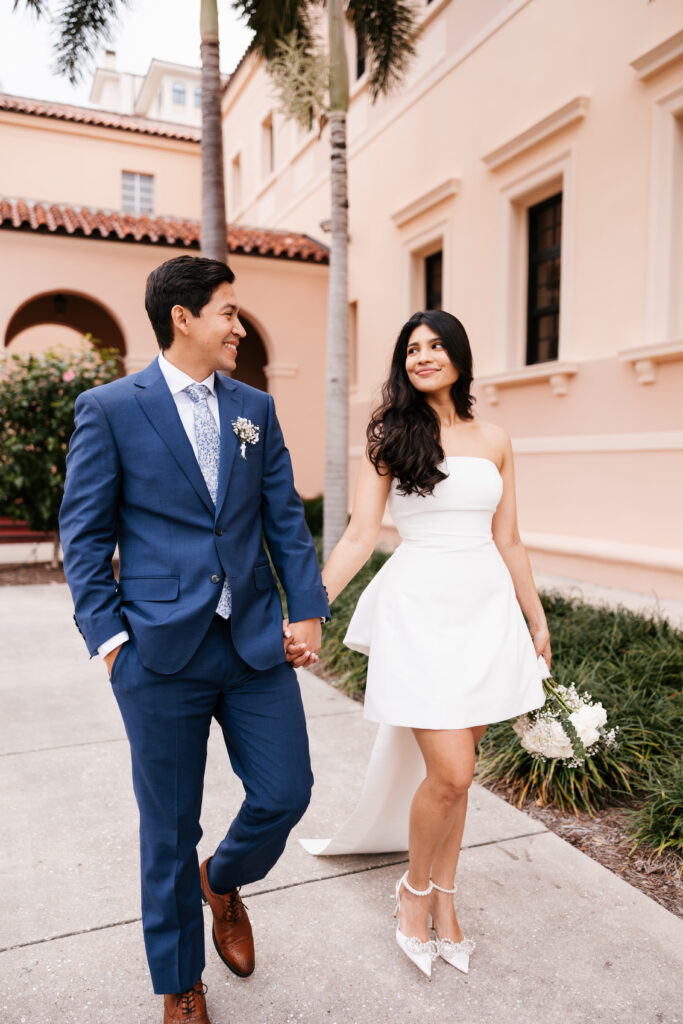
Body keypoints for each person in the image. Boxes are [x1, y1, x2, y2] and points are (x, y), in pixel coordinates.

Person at [59, 255, 329, 1023]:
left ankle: (224, 878)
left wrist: (303, 608)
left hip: (251, 645)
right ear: (183, 318)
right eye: (229, 313)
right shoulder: (110, 408)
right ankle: (180, 983)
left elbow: (283, 516)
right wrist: (112, 644)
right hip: (158, 653)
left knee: (286, 793)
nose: (239, 327)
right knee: (168, 831)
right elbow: (82, 536)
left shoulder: (255, 408)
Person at [311, 310, 551, 980]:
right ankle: (412, 894)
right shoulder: (390, 434)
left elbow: (509, 538)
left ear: (458, 356)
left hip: (485, 611)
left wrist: (534, 617)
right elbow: (360, 535)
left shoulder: (496, 436)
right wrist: (308, 609)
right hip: (418, 612)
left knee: (460, 773)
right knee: (450, 774)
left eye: (435, 345)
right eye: (411, 349)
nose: (422, 356)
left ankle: (446, 901)